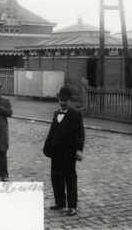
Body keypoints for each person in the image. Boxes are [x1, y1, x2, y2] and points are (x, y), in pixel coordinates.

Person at [43, 87, 85, 216]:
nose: (62, 103)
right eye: (60, 100)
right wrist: (47, 147)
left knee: (70, 179)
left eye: (65, 101)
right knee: (56, 178)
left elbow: (80, 133)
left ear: (70, 101)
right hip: (55, 152)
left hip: (68, 153)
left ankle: (72, 206)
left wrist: (79, 149)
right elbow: (52, 131)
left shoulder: (76, 115)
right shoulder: (56, 114)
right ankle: (60, 202)